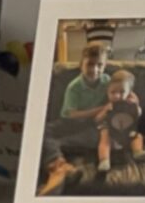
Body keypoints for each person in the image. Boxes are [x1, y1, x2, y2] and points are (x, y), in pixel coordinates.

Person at [38, 36, 118, 194]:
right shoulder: (74, 87)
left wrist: (131, 98)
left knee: (63, 140)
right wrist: (101, 108)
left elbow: (121, 93)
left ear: (105, 65)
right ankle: (60, 167)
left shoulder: (107, 81)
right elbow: (71, 114)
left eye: (100, 65)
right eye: (90, 64)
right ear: (82, 64)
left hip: (93, 127)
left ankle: (60, 168)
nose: (95, 70)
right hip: (72, 122)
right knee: (43, 131)